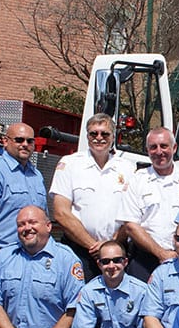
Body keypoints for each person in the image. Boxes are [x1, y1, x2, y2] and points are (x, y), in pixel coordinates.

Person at [50, 113, 136, 279]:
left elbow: (132, 212)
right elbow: (61, 213)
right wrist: (94, 246)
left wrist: (113, 245)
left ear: (113, 137)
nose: (99, 138)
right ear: (87, 135)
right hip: (79, 251)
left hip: (118, 252)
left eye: (104, 134)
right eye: (93, 133)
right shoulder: (70, 164)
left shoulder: (128, 168)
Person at [119, 127, 179, 280]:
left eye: (164, 146)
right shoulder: (137, 181)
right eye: (153, 147)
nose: (159, 151)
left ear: (174, 148)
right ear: (147, 150)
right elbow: (131, 226)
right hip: (144, 260)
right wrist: (161, 253)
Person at [0, 122, 47, 268]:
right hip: (4, 256)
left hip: (36, 256)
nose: (25, 144)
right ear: (5, 141)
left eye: (30, 141)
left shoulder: (36, 175)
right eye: (19, 140)